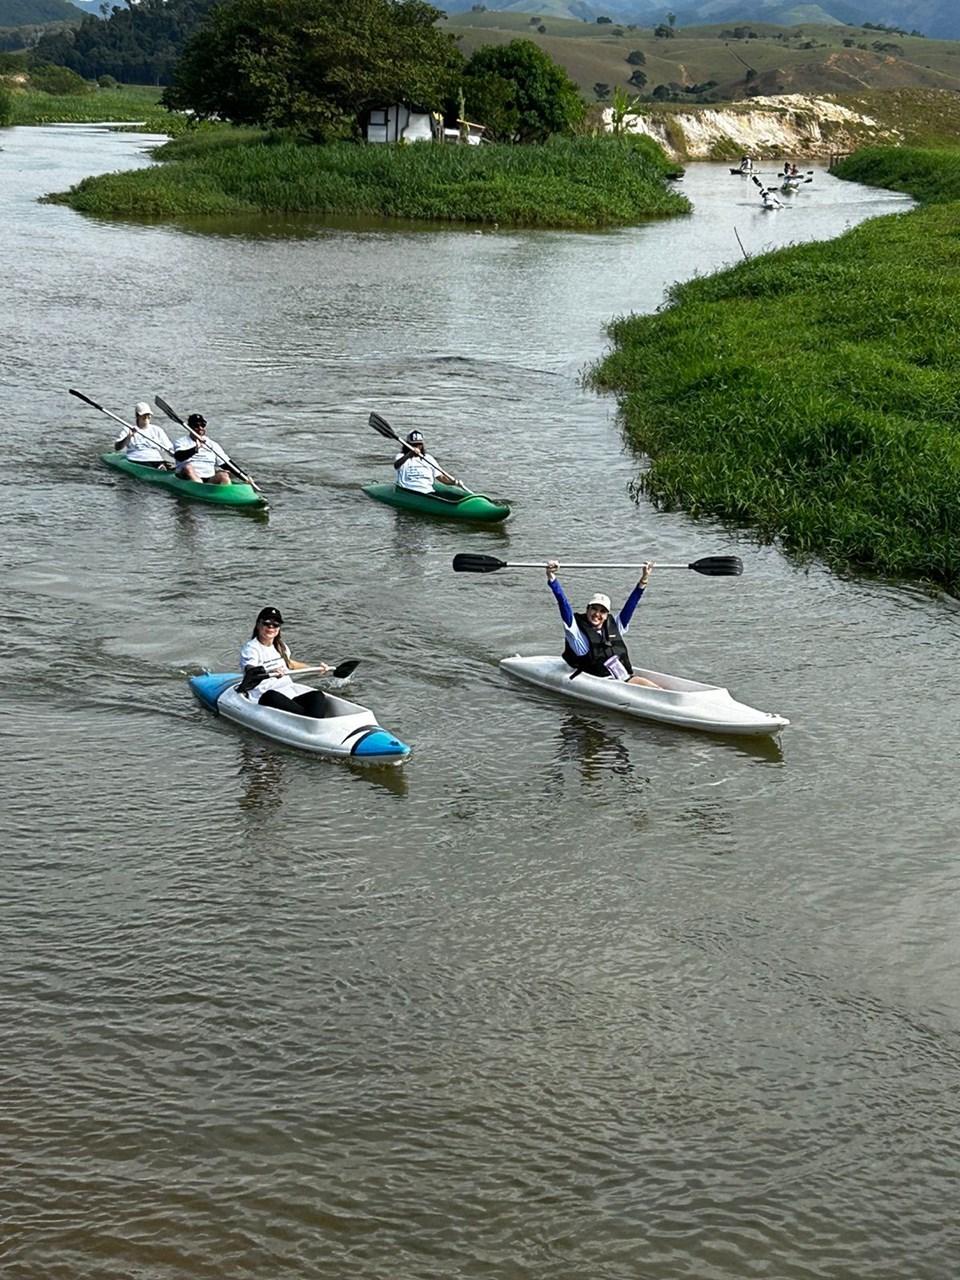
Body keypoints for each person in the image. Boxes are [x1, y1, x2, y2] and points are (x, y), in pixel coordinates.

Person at [545, 560, 661, 688]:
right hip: (600, 683)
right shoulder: (576, 632)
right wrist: (552, 578)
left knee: (655, 688)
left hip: (623, 678)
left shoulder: (614, 626)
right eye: (594, 609)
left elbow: (631, 605)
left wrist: (644, 579)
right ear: (587, 609)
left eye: (602, 611)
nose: (597, 614)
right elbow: (563, 603)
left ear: (606, 615)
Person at [237, 606, 331, 717]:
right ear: (258, 625)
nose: (271, 627)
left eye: (276, 624)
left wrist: (317, 669)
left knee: (318, 695)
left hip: (288, 694)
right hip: (263, 696)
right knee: (272, 695)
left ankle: (313, 722)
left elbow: (290, 664)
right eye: (267, 623)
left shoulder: (281, 646)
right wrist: (270, 671)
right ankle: (307, 720)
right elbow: (250, 670)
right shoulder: (251, 648)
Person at [172, 414, 232, 485]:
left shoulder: (212, 444)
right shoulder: (181, 442)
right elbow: (179, 457)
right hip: (186, 476)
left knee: (224, 475)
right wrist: (195, 449)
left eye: (203, 425)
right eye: (196, 426)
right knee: (188, 467)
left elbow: (226, 464)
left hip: (209, 479)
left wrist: (244, 476)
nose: (200, 428)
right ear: (189, 427)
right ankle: (198, 485)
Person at [393, 430, 458, 494]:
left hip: (427, 492)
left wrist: (453, 482)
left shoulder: (428, 458)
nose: (417, 447)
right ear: (407, 445)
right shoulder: (401, 456)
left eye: (419, 444)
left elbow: (440, 477)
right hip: (409, 491)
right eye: (414, 444)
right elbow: (396, 465)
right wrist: (409, 454)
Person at [113, 401, 173, 468]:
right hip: (137, 459)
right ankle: (159, 468)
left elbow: (169, 448)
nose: (147, 417)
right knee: (153, 466)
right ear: (137, 416)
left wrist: (175, 454)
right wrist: (129, 437)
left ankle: (162, 467)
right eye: (144, 415)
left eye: (148, 415)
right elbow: (117, 447)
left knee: (168, 466)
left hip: (156, 459)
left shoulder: (157, 430)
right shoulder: (128, 429)